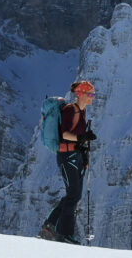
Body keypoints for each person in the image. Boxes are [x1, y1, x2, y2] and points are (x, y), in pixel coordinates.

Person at [40, 80, 97, 244]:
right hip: (66, 156)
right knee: (73, 195)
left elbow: (78, 138)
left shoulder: (82, 111)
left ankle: (50, 224)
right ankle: (64, 234)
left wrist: (84, 153)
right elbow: (65, 134)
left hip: (75, 156)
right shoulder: (70, 110)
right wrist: (82, 137)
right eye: (90, 94)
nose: (92, 97)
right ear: (81, 94)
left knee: (74, 194)